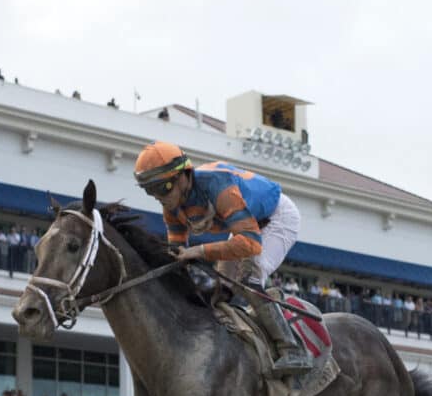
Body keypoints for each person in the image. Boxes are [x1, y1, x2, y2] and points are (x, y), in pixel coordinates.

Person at [132, 141, 311, 376]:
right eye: (151, 190)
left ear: (185, 175)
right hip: (247, 223)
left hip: (276, 218)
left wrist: (198, 251)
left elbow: (250, 243)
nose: (159, 197)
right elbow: (177, 255)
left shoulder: (218, 186)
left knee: (248, 280)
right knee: (222, 290)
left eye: (163, 187)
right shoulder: (172, 207)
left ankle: (293, 348)